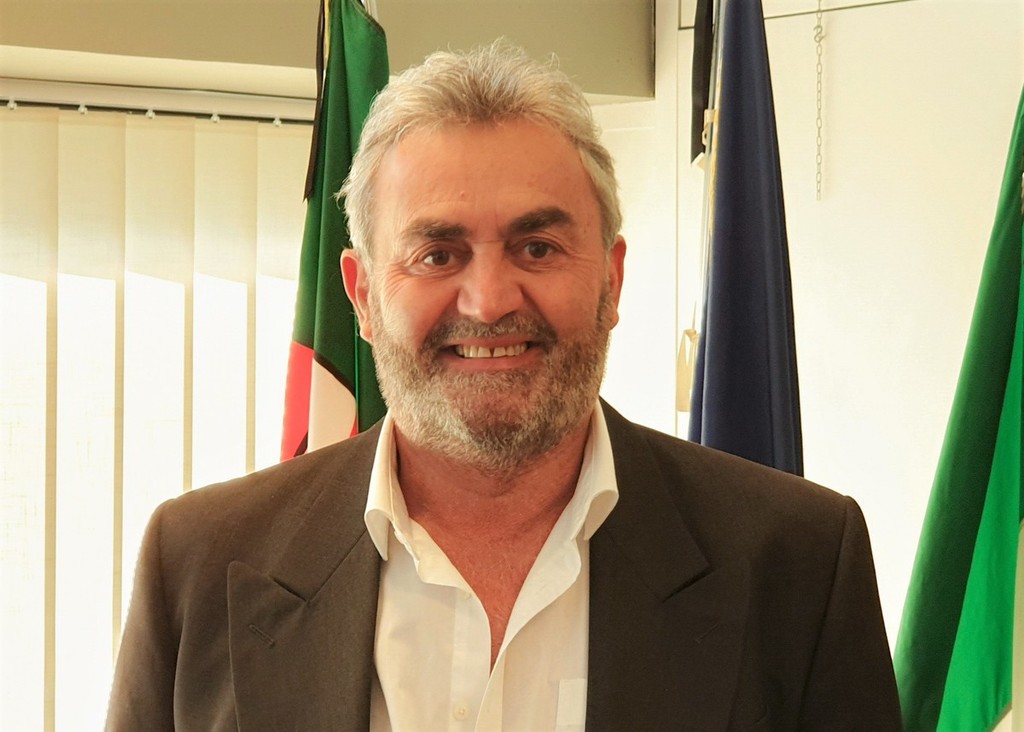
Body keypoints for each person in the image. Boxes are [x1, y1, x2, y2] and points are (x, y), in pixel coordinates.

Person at [106, 41, 901, 731]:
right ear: (362, 297)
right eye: (437, 255)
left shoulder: (797, 562)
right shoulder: (201, 565)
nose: (488, 303)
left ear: (612, 280)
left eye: (538, 248)